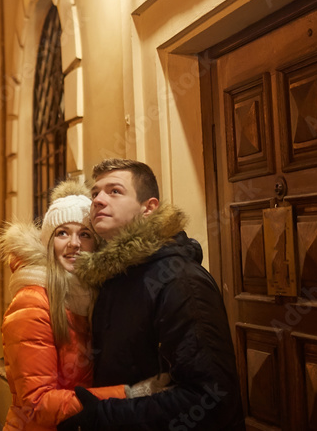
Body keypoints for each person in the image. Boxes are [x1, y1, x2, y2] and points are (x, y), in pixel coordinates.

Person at [59, 159, 244, 430]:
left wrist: (105, 414)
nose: (98, 200)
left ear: (149, 208)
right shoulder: (112, 277)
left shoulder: (181, 282)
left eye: (114, 191)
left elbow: (210, 398)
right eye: (95, 193)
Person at [0, 180, 163, 431]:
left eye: (84, 234)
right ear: (48, 242)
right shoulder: (33, 301)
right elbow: (37, 404)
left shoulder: (92, 296)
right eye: (62, 233)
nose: (74, 243)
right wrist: (130, 394)